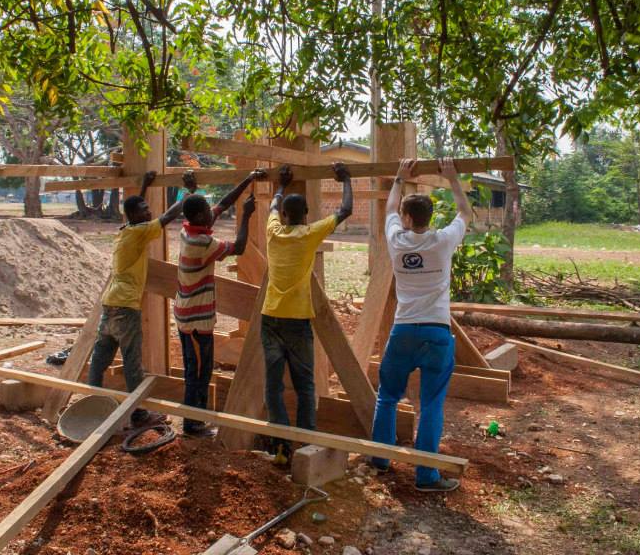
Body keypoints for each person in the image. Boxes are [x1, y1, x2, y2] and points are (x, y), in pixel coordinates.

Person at [369, 157, 474, 492]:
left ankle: (380, 460)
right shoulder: (443, 241)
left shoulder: (397, 240)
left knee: (387, 396)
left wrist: (399, 177)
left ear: (407, 217)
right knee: (430, 404)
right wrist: (452, 178)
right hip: (436, 333)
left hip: (403, 332)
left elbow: (387, 211)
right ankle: (426, 476)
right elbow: (465, 213)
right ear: (428, 218)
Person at [87, 169, 197, 426]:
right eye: (145, 209)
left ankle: (91, 403)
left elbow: (136, 213)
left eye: (148, 209)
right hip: (126, 307)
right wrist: (189, 193)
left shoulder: (125, 230)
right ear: (136, 215)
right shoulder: (138, 232)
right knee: (132, 363)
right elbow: (169, 216)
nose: (149, 212)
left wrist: (144, 186)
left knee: (99, 360)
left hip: (110, 305)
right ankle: (139, 414)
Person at [262, 162, 353, 462]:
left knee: (274, 386)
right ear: (307, 215)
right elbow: (345, 210)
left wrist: (281, 185)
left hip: (271, 318)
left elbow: (273, 206)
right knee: (305, 385)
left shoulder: (273, 232)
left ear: (286, 216)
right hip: (297, 321)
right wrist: (346, 180)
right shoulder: (310, 233)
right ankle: (306, 443)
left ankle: (279, 446)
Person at [174, 169, 266, 438]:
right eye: (207, 211)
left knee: (199, 367)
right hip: (194, 321)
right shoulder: (199, 242)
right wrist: (246, 216)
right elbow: (238, 247)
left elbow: (223, 202)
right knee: (198, 371)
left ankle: (196, 419)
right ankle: (193, 424)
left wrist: (248, 180)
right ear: (201, 216)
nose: (212, 212)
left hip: (189, 314)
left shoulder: (190, 225)